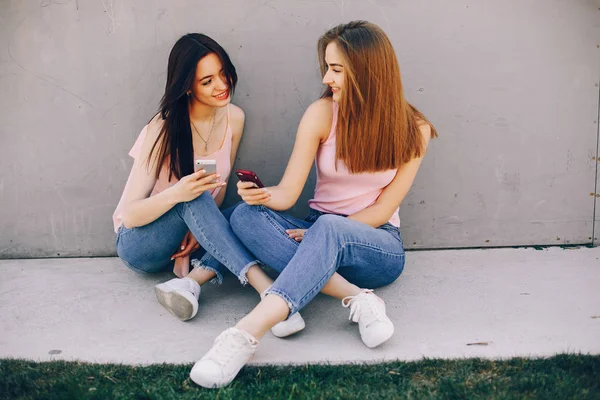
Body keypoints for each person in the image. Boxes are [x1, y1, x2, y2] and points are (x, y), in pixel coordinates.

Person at [188, 21, 438, 388]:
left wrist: (325, 231)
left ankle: (243, 335)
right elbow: (289, 193)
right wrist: (263, 196)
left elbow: (384, 211)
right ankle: (358, 299)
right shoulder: (322, 113)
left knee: (330, 227)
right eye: (326, 67)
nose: (327, 77)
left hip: (376, 244)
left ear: (368, 71)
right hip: (313, 230)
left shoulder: (414, 128)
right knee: (244, 215)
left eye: (336, 68)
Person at [112, 33, 304, 337]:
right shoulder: (162, 128)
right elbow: (130, 215)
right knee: (195, 194)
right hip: (141, 245)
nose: (221, 85)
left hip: (188, 241)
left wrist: (196, 228)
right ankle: (269, 292)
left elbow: (220, 191)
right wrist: (180, 194)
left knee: (239, 212)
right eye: (207, 81)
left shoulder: (234, 118)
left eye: (223, 74)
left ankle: (188, 286)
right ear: (187, 86)